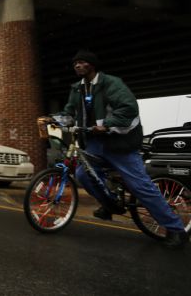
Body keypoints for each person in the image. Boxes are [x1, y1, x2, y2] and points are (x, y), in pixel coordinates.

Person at [61, 50, 188, 249]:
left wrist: (107, 124)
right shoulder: (77, 89)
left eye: (82, 62)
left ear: (92, 65)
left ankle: (176, 229)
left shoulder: (112, 83)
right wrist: (55, 118)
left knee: (139, 186)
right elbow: (69, 112)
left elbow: (128, 108)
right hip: (95, 142)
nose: (77, 65)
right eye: (75, 63)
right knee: (84, 175)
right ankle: (110, 204)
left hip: (120, 143)